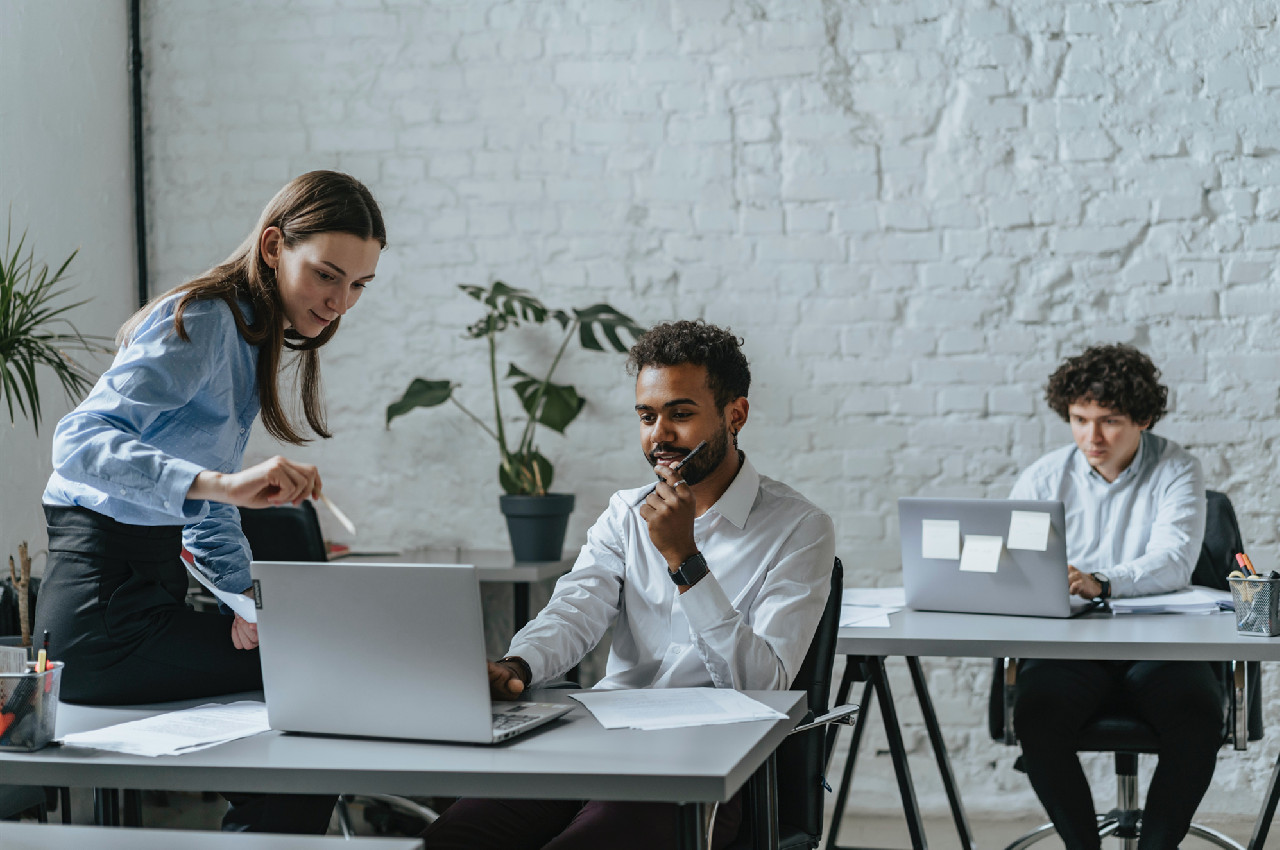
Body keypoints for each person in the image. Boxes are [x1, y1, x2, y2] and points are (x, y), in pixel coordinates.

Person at [34, 170, 385, 832]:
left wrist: (242, 601)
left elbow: (208, 500)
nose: (341, 301)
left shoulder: (248, 330)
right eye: (327, 275)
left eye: (359, 285)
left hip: (143, 600)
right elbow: (78, 443)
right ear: (275, 245)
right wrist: (221, 486)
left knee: (312, 671)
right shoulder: (203, 318)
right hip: (100, 620)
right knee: (319, 679)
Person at [421, 320, 836, 850]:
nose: (659, 435)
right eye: (647, 416)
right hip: (600, 738)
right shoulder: (624, 512)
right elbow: (575, 610)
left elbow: (764, 684)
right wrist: (518, 665)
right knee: (455, 838)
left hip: (710, 762)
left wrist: (685, 559)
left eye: (680, 414)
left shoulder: (799, 528)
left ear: (736, 414)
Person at [1009, 343, 1221, 850]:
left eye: (1109, 421)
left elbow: (1174, 561)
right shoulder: (1043, 476)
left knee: (1198, 716)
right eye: (1079, 419)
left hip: (1161, 650)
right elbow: (1013, 566)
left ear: (1143, 418)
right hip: (1071, 649)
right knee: (1036, 714)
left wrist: (1100, 581)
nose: (1092, 436)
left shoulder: (1176, 468)